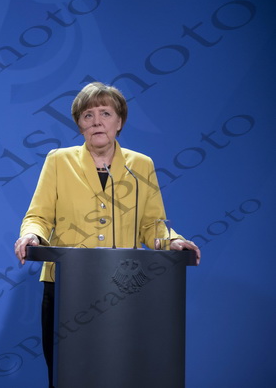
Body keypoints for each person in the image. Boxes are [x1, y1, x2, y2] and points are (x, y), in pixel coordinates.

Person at [13, 82, 200, 387]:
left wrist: (172, 240)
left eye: (105, 113)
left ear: (119, 121)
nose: (97, 121)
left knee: (119, 371)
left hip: (122, 287)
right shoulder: (58, 161)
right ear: (80, 124)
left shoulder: (141, 165)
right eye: (88, 115)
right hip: (66, 285)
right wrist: (32, 235)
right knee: (66, 372)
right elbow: (39, 216)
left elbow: (152, 224)